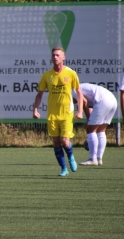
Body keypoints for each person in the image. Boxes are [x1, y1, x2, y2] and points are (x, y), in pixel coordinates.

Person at [33, 46, 83, 177]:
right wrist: (35, 109)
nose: (55, 57)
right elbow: (39, 94)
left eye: (57, 55)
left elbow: (79, 92)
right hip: (52, 114)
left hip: (67, 112)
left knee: (65, 141)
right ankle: (63, 169)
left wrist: (80, 111)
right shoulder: (47, 75)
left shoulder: (71, 73)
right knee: (56, 142)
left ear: (63, 57)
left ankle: (71, 157)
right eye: (53, 55)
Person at [72, 83, 117, 166]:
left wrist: (88, 121)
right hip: (112, 100)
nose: (74, 103)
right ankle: (99, 158)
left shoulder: (73, 91)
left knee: (90, 129)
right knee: (101, 130)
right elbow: (89, 106)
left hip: (103, 100)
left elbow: (84, 102)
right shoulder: (80, 88)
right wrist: (89, 119)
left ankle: (92, 158)